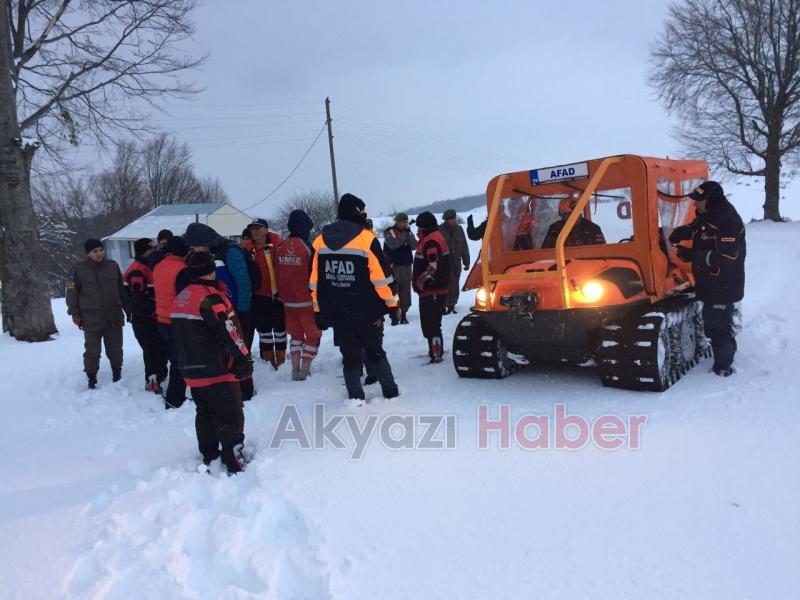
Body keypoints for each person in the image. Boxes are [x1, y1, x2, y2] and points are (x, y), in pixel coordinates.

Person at [310, 193, 400, 402]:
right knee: (375, 352)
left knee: (350, 357)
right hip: (366, 311)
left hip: (336, 310)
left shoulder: (320, 241)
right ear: (357, 212)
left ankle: (355, 399)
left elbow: (314, 282)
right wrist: (392, 305)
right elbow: (382, 280)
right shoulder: (366, 239)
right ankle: (391, 394)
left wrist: (318, 310)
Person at [170, 251, 252, 474]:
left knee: (204, 413)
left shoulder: (182, 297)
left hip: (191, 370)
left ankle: (209, 454)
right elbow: (228, 332)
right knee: (230, 415)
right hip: (217, 368)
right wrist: (243, 358)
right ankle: (234, 459)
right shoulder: (210, 298)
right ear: (210, 269)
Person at [669, 181, 746, 377]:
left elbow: (726, 258)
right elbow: (700, 227)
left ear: (711, 201)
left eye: (699, 201)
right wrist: (685, 231)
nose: (695, 205)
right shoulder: (709, 215)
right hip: (710, 282)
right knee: (713, 323)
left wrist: (692, 255)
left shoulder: (728, 221)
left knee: (716, 326)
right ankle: (724, 353)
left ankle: (723, 367)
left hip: (724, 284)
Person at [184, 222, 256, 398]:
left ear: (203, 241)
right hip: (219, 310)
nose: (192, 249)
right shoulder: (206, 254)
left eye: (194, 245)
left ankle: (246, 388)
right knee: (225, 349)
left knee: (241, 348)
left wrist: (242, 311)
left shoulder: (229, 251)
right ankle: (232, 384)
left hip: (237, 310)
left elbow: (243, 282)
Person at [66, 238, 128, 389]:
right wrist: (75, 314)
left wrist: (128, 308)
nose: (99, 254)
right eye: (95, 251)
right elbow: (72, 293)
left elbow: (121, 290)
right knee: (92, 350)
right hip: (91, 317)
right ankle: (91, 377)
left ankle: (117, 372)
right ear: (88, 253)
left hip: (113, 315)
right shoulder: (79, 270)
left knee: (115, 348)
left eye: (101, 250)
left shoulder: (112, 266)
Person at [274, 210, 322, 381]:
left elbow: (276, 273)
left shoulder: (279, 248)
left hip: (287, 302)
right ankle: (305, 368)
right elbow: (316, 274)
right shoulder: (308, 248)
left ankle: (295, 369)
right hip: (307, 301)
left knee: (295, 336)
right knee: (313, 334)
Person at [123, 237, 168, 394]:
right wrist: (153, 311)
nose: (153, 252)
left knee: (161, 347)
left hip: (154, 316)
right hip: (143, 318)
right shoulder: (137, 270)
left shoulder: (150, 266)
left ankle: (160, 375)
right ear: (143, 251)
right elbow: (138, 299)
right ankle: (152, 380)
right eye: (150, 250)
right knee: (150, 349)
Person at [242, 219, 286, 370]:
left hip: (276, 294)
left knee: (280, 329)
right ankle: (268, 361)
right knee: (263, 329)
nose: (255, 231)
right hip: (257, 295)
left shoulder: (278, 245)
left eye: (258, 228)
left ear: (266, 230)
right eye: (252, 228)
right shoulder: (247, 248)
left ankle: (281, 360)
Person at [153, 235, 189, 408]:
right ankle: (174, 400)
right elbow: (185, 296)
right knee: (179, 361)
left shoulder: (159, 266)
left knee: (174, 358)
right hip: (176, 320)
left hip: (161, 318)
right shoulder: (182, 269)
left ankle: (175, 395)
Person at [412, 212, 451, 363]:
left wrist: (420, 281)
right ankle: (435, 350)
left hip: (433, 290)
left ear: (425, 227)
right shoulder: (431, 239)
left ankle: (436, 355)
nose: (417, 230)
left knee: (432, 324)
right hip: (432, 290)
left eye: (419, 227)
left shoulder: (431, 242)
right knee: (431, 323)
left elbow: (433, 266)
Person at [383, 212, 417, 325]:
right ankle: (394, 314)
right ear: (397, 222)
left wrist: (409, 233)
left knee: (406, 291)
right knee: (394, 291)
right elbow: (393, 244)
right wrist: (404, 234)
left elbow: (415, 245)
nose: (405, 224)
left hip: (407, 266)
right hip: (394, 266)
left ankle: (404, 314)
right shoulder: (389, 232)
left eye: (406, 222)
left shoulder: (407, 231)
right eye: (403, 222)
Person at [438, 209, 470, 314]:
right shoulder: (439, 230)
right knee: (445, 285)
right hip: (444, 264)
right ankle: (443, 305)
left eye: (454, 218)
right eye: (451, 219)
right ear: (447, 220)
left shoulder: (459, 229)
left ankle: (452, 304)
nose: (454, 220)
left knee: (455, 285)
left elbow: (464, 246)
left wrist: (466, 261)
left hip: (456, 263)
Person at [541, 198, 606, 248]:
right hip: (561, 264)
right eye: (567, 215)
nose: (571, 217)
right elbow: (545, 252)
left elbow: (602, 251)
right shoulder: (554, 228)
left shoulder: (593, 228)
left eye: (573, 214)